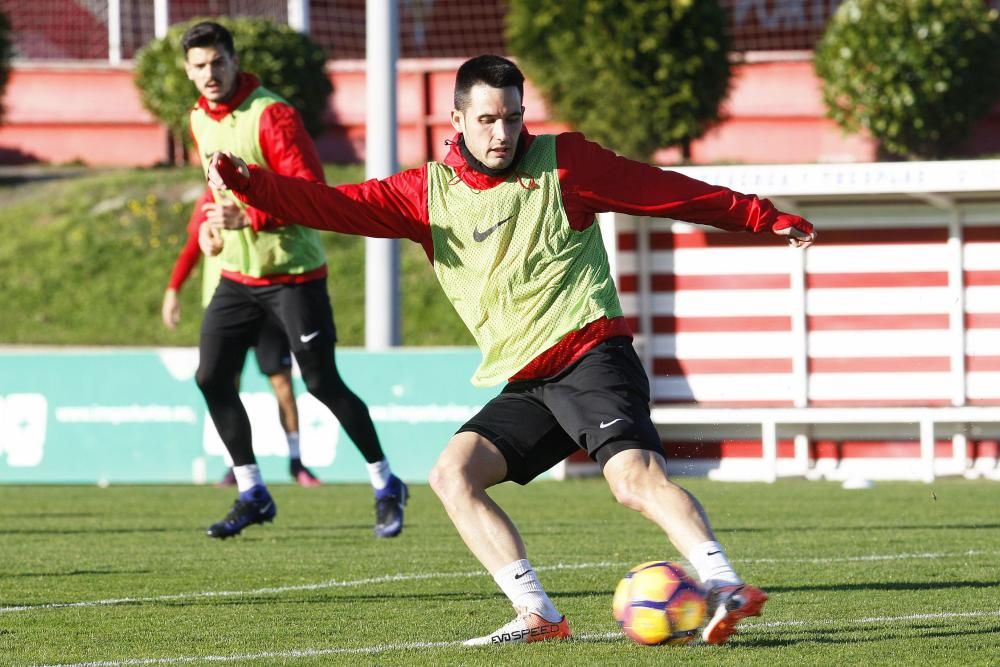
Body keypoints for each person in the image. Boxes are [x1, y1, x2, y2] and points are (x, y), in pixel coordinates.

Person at [206, 54, 816, 644]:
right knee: (452, 474)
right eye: (489, 120)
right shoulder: (426, 193)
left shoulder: (565, 163)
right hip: (528, 380)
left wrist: (760, 216)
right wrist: (249, 183)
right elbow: (329, 205)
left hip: (589, 353)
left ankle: (723, 583)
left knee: (631, 479)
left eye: (514, 117)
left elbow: (661, 190)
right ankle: (538, 614)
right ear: (457, 122)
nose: (503, 133)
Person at [180, 21, 407, 540]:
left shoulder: (272, 115)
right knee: (211, 377)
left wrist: (251, 219)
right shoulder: (198, 119)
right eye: (199, 66)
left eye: (218, 62)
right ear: (188, 72)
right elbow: (212, 194)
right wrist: (209, 234)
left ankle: (385, 482)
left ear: (234, 61)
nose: (210, 74)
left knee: (322, 382)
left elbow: (310, 193)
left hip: (294, 275)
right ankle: (253, 490)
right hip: (238, 277)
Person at [161, 192, 322, 488]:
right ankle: (237, 465)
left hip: (266, 300)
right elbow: (191, 248)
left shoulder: (257, 195)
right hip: (227, 307)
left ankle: (297, 461)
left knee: (282, 383)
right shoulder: (208, 202)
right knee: (225, 384)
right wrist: (173, 290)